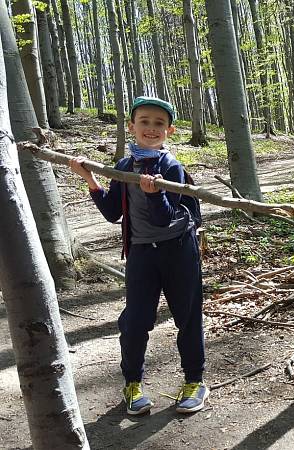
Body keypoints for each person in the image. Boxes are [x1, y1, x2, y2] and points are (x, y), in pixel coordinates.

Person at [69, 96, 208, 415]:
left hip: (178, 252)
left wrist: (155, 194)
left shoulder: (171, 167)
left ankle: (195, 382)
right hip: (142, 253)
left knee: (187, 317)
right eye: (144, 121)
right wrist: (89, 179)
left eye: (159, 123)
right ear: (132, 126)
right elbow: (110, 212)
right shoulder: (123, 167)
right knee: (134, 321)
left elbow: (165, 217)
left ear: (169, 131)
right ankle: (132, 384)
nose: (151, 128)